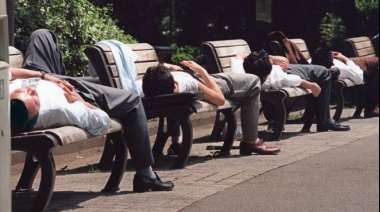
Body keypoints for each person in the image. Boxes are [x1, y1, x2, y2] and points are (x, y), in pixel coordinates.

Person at [10, 29, 174, 192]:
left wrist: (44, 76)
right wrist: (81, 102)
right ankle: (146, 175)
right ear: (37, 110)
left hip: (41, 76)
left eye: (21, 93)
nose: (30, 91)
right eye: (33, 98)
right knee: (132, 101)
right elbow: (101, 121)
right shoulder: (62, 107)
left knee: (42, 34)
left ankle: (60, 76)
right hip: (71, 91)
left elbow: (9, 72)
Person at [142, 61, 281, 155]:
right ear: (174, 86)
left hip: (190, 79)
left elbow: (158, 71)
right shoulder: (189, 83)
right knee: (253, 81)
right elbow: (219, 100)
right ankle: (251, 141)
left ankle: (177, 141)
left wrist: (169, 67)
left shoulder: (146, 86)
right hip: (210, 83)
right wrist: (201, 70)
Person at [234, 49, 351, 132]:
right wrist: (311, 85)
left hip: (284, 71)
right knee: (323, 71)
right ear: (266, 76)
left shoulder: (239, 72)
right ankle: (325, 120)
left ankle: (323, 120)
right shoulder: (275, 79)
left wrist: (272, 59)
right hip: (287, 72)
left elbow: (239, 55)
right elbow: (293, 80)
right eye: (269, 61)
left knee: (322, 72)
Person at [311, 47, 379, 118]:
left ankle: (371, 108)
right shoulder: (342, 69)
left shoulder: (311, 63)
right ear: (333, 64)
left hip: (342, 61)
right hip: (352, 64)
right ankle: (371, 109)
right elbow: (359, 77)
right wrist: (344, 58)